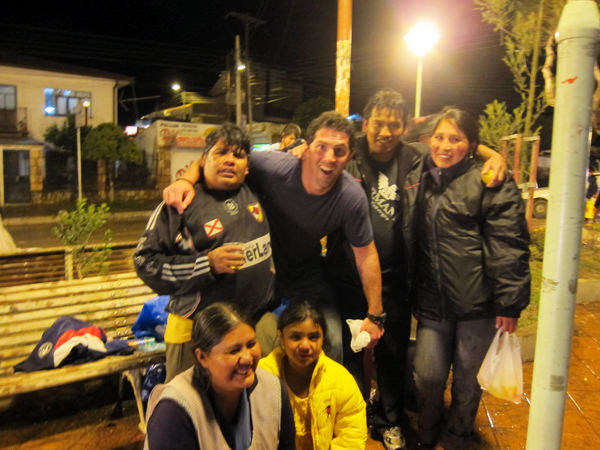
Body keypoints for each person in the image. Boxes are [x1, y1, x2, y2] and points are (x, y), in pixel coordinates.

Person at [325, 90, 506, 450]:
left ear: (405, 126)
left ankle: (389, 419)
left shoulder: (416, 156)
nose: (386, 131)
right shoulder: (349, 150)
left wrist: (493, 153)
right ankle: (352, 415)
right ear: (367, 121)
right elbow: (313, 154)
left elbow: (456, 146)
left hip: (395, 280)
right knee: (347, 352)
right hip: (347, 276)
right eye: (379, 122)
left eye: (395, 124)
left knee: (392, 353)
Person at [163, 111, 385, 364]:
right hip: (264, 277)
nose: (329, 157)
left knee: (332, 344)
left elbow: (366, 254)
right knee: (252, 352)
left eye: (339, 151)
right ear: (307, 148)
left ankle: (319, 401)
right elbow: (221, 158)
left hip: (306, 274)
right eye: (321, 146)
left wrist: (375, 314)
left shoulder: (350, 197)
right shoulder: (274, 167)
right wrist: (185, 180)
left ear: (349, 157)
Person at [411, 108, 530, 450]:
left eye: (456, 139)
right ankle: (428, 429)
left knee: (468, 382)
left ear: (472, 144)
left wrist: (509, 302)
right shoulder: (423, 174)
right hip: (433, 304)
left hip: (479, 307)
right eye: (439, 137)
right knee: (427, 376)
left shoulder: (489, 181)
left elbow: (508, 243)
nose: (445, 146)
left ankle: (458, 436)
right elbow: (393, 142)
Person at [134, 123, 277, 382]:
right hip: (195, 333)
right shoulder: (180, 203)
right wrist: (206, 264)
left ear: (248, 165)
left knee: (245, 405)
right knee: (188, 407)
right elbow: (145, 262)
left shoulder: (256, 190)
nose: (229, 161)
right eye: (220, 153)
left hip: (249, 327)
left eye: (238, 155)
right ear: (204, 159)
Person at [145, 303, 296, 450]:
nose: (247, 358)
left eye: (251, 345)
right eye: (234, 350)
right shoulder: (173, 411)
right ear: (202, 357)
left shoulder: (272, 389)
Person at [259, 300, 367, 450]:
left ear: (323, 339)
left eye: (313, 337)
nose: (305, 345)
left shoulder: (340, 380)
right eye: (295, 337)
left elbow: (351, 436)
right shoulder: (262, 376)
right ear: (281, 337)